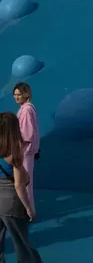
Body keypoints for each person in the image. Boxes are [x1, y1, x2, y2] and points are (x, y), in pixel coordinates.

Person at [0, 112, 41, 263]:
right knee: (21, 243)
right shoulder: (14, 150)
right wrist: (29, 208)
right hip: (11, 204)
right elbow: (19, 184)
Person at [13, 83, 39, 206]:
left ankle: (27, 211)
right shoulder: (25, 108)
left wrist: (18, 149)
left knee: (25, 182)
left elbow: (27, 133)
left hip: (25, 151)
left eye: (19, 94)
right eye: (15, 95)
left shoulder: (27, 109)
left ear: (26, 94)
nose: (16, 97)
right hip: (25, 151)